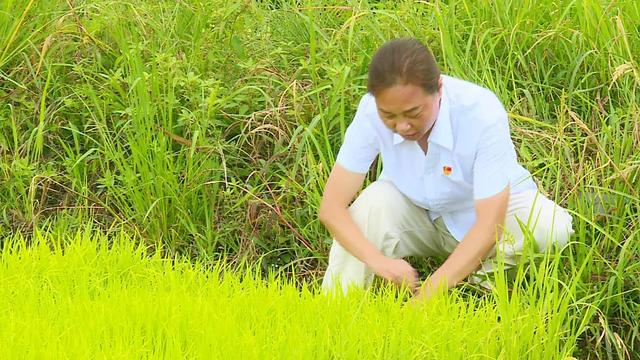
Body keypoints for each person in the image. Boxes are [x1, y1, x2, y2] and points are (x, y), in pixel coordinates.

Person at [318, 38, 574, 301]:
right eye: (389, 116)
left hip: (483, 216)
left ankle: (472, 294)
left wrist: (428, 295)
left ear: (439, 88)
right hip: (417, 214)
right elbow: (331, 209)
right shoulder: (370, 112)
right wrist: (379, 262)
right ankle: (337, 310)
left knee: (550, 226)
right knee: (371, 206)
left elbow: (489, 225)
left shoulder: (481, 112)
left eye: (413, 112)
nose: (402, 126)